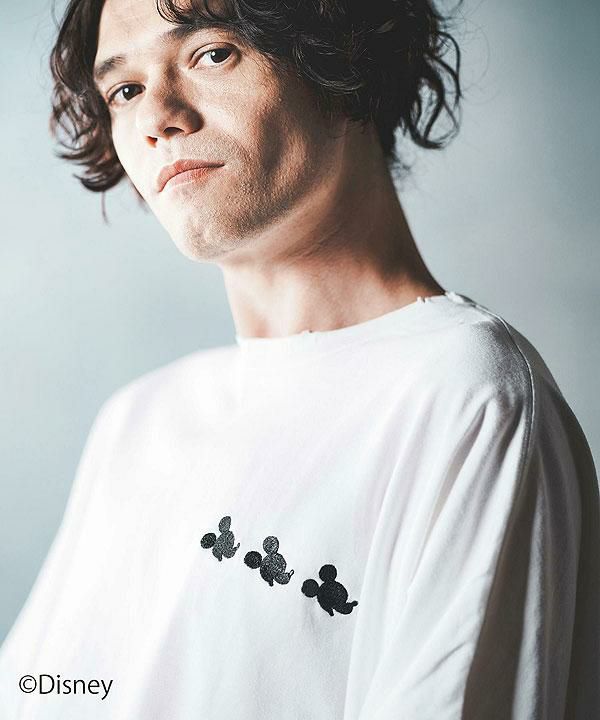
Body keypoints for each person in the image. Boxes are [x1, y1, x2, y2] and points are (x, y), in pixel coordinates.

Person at [0, 0, 598, 717]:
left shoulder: (467, 394)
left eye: (212, 53)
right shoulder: (137, 423)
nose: (157, 116)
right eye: (124, 90)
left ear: (344, 52)